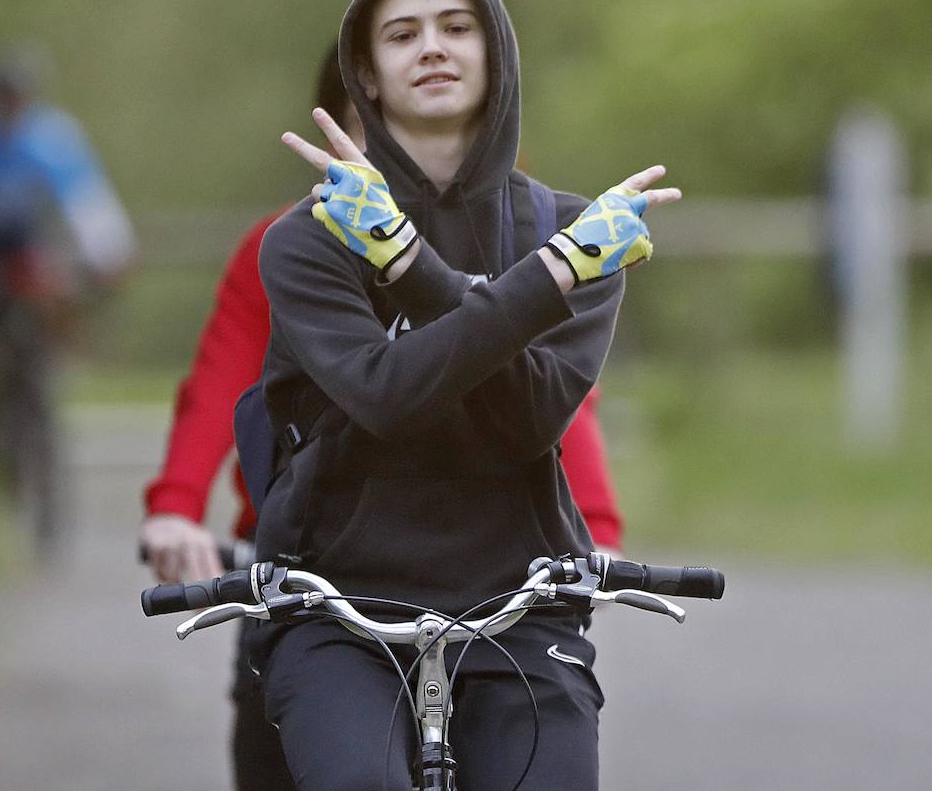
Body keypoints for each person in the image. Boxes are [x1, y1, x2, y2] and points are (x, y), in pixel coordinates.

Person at [139, 43, 626, 791]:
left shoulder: (518, 236)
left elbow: (551, 401)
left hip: (491, 573)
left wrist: (592, 531)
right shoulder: (292, 243)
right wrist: (176, 505)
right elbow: (220, 379)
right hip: (311, 567)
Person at [252, 0, 679, 790]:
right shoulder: (307, 240)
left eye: (457, 27)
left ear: (497, 55)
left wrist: (417, 268)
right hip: (336, 606)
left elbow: (528, 418)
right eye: (402, 34)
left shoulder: (575, 232)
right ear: (366, 74)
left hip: (520, 600)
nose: (433, 47)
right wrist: (544, 281)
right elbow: (384, 395)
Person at [0, 46, 135, 547]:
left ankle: (39, 390)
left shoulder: (49, 137)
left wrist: (110, 252)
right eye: (4, 100)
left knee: (48, 308)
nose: (11, 109)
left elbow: (86, 201)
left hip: (23, 257)